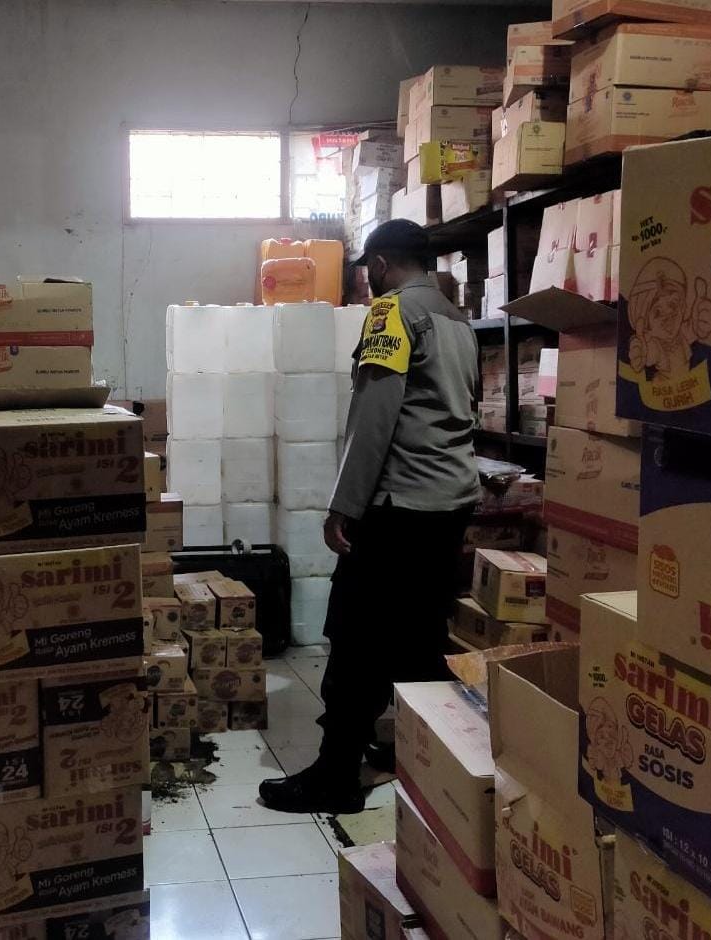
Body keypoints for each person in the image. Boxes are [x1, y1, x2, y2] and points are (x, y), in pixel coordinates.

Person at [260, 219, 480, 814]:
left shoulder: (391, 313)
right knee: (420, 639)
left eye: (367, 271)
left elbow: (374, 419)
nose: (366, 281)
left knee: (357, 639)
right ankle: (422, 756)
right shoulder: (457, 319)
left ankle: (335, 777)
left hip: (398, 507)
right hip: (449, 505)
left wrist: (344, 506)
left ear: (380, 265)